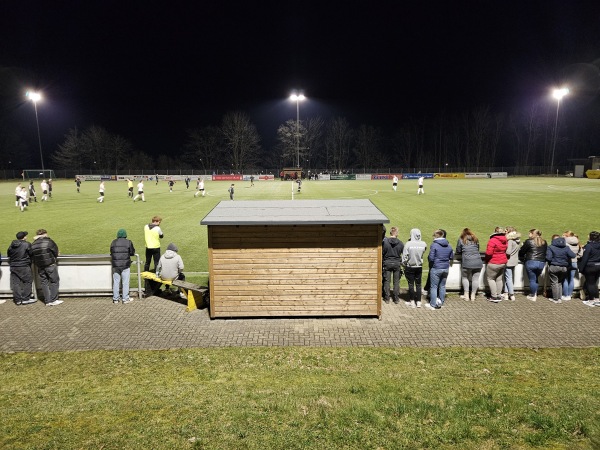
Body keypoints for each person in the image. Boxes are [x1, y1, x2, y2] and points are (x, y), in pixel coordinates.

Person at [31, 229, 62, 306]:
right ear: (45, 234)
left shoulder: (33, 244)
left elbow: (32, 256)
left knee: (44, 283)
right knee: (54, 281)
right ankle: (54, 299)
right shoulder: (49, 241)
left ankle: (47, 301)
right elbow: (56, 252)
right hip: (50, 265)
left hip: (40, 266)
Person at [427, 229, 454, 309]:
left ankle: (433, 303)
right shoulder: (449, 245)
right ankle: (441, 302)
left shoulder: (434, 245)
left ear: (436, 236)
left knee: (434, 286)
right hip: (445, 268)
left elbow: (431, 258)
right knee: (442, 286)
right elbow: (451, 257)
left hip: (436, 268)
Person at [519, 229, 548, 301]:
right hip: (541, 263)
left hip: (531, 261)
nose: (528, 235)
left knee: (532, 280)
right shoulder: (544, 242)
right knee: (535, 279)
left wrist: (522, 256)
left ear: (532, 234)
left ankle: (533, 295)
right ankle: (534, 293)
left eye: (529, 234)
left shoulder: (529, 242)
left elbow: (522, 252)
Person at [546, 234, 576, 304]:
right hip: (564, 267)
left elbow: (549, 258)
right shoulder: (566, 248)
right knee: (559, 283)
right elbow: (573, 255)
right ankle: (559, 298)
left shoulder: (551, 247)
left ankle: (555, 299)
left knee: (554, 283)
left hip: (554, 266)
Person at [7, 231, 35, 305]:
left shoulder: (11, 245)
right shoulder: (27, 244)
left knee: (16, 283)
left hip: (13, 266)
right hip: (24, 266)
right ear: (24, 237)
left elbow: (9, 254)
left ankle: (18, 300)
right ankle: (26, 298)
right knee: (28, 281)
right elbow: (31, 253)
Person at [455, 228, 483, 302]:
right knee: (475, 279)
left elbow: (458, 250)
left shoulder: (461, 239)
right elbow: (478, 248)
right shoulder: (475, 239)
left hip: (467, 262)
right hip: (478, 261)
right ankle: (473, 295)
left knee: (465, 278)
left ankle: (466, 295)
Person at [402, 228, 427, 308]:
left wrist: (404, 264)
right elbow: (423, 251)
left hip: (410, 266)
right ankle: (419, 302)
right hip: (419, 266)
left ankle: (412, 301)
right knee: (419, 284)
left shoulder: (408, 244)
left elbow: (405, 256)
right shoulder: (423, 244)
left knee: (411, 284)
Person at [110, 228, 136, 304]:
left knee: (116, 281)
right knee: (125, 282)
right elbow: (132, 252)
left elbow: (111, 252)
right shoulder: (128, 242)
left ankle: (115, 299)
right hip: (125, 265)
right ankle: (125, 299)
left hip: (115, 265)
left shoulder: (113, 242)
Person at [484, 226, 508, 302]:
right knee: (499, 279)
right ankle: (498, 295)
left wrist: (486, 260)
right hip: (503, 262)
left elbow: (489, 253)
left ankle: (494, 296)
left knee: (491, 279)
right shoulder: (505, 240)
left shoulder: (493, 240)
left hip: (493, 262)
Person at [382, 227, 404, 305]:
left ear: (390, 233)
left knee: (387, 281)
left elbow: (383, 252)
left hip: (387, 263)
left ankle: (387, 298)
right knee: (396, 282)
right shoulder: (400, 243)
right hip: (397, 263)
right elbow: (402, 253)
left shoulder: (385, 242)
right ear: (397, 233)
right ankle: (396, 298)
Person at [579, 231, 600, 306]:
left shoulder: (589, 246)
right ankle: (597, 299)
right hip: (598, 266)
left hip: (590, 266)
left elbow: (585, 258)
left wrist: (581, 268)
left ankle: (591, 300)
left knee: (590, 283)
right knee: (594, 283)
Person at [562, 231, 582, 301]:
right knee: (571, 279)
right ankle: (570, 295)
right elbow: (581, 253)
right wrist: (576, 257)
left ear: (567, 236)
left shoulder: (565, 244)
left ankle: (565, 294)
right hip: (574, 262)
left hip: (567, 262)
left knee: (565, 279)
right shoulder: (577, 243)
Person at [503, 227, 521, 301]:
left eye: (506, 231)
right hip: (514, 261)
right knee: (508, 277)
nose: (505, 232)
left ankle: (511, 294)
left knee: (508, 278)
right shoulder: (517, 241)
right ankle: (506, 293)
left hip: (509, 261)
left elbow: (508, 252)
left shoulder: (510, 241)